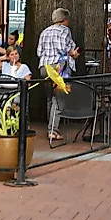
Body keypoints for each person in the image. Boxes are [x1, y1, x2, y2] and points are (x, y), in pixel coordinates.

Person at [37, 8, 79, 143]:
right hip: (59, 66)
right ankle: (53, 130)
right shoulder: (65, 30)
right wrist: (73, 54)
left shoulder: (45, 31)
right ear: (65, 20)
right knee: (59, 98)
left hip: (44, 67)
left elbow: (39, 51)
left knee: (50, 97)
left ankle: (51, 126)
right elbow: (63, 48)